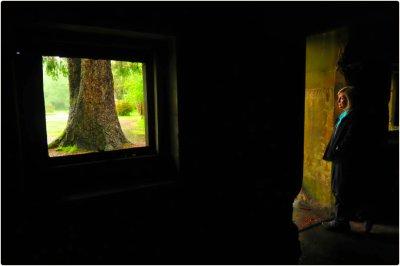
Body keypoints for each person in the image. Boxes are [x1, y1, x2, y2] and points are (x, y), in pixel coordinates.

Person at [321, 86, 373, 233]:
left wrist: (339, 149)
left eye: (342, 98)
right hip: (339, 157)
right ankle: (346, 219)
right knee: (338, 187)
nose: (339, 101)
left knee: (341, 188)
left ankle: (342, 222)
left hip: (345, 159)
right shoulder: (344, 115)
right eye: (338, 98)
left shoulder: (355, 116)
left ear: (350, 99)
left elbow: (351, 138)